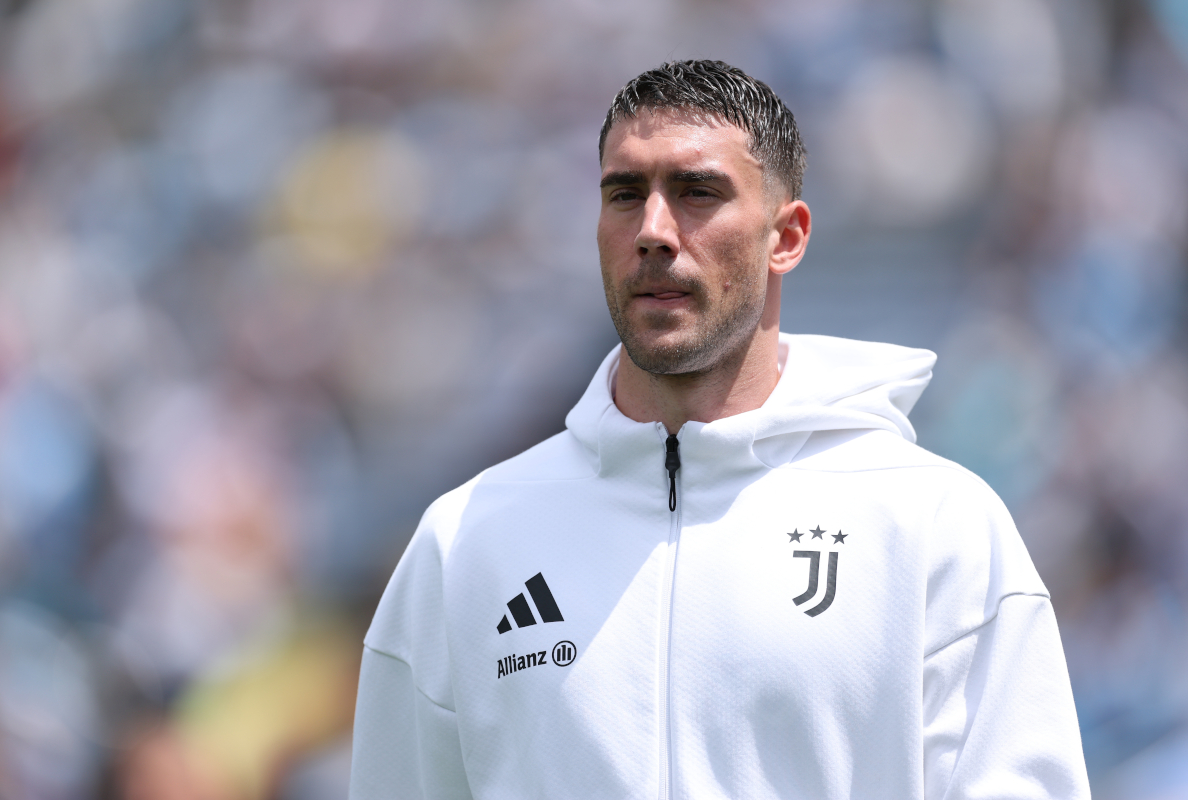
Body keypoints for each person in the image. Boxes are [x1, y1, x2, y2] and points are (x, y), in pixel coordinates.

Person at [349, 60, 1089, 799]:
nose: (653, 231)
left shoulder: (933, 525)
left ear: (786, 238)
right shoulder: (467, 539)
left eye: (697, 192)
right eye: (624, 194)